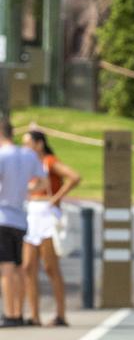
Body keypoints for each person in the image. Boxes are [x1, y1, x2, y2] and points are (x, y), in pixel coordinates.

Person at [21, 130, 81, 327]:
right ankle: (34, 315)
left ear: (39, 144)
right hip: (31, 215)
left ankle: (61, 314)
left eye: (28, 143)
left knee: (50, 266)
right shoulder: (28, 165)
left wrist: (57, 197)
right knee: (28, 266)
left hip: (47, 215)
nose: (25, 147)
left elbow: (74, 176)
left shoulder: (49, 161)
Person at [0, 119, 46, 328]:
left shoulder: (2, 155)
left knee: (6, 269)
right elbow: (43, 181)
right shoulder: (27, 155)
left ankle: (10, 314)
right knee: (19, 268)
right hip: (20, 217)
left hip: (2, 215)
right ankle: (18, 312)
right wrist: (26, 192)